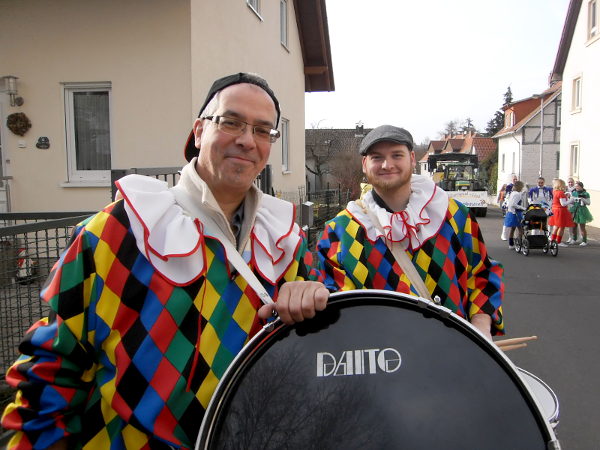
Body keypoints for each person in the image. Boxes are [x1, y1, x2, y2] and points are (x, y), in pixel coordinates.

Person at [1, 73, 329, 449]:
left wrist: (314, 296)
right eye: (231, 122)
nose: (246, 139)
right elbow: (55, 364)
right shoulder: (119, 229)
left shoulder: (286, 241)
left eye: (262, 130)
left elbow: (311, 347)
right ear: (199, 130)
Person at [315, 125, 504, 341]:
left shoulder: (455, 215)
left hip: (455, 355)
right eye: (377, 157)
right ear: (364, 165)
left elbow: (482, 273)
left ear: (412, 159)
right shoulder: (340, 231)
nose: (387, 165)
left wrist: (481, 327)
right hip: (385, 362)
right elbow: (341, 304)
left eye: (397, 155)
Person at [548, 178, 575, 247]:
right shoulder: (560, 193)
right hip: (560, 211)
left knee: (556, 226)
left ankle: (552, 240)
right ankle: (558, 241)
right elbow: (563, 204)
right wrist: (571, 200)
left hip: (555, 210)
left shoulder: (555, 191)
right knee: (561, 227)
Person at [569, 181, 594, 246]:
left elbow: (588, 203)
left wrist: (582, 198)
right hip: (575, 210)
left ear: (581, 187)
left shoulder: (586, 193)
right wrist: (570, 199)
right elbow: (571, 202)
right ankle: (574, 239)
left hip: (582, 210)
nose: (576, 187)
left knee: (582, 227)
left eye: (577, 186)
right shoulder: (574, 193)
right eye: (575, 186)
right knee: (574, 226)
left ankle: (584, 241)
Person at [504, 181, 526, 249]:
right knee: (520, 229)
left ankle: (511, 244)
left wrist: (523, 193)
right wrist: (523, 208)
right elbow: (514, 204)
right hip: (516, 213)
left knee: (513, 229)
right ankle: (520, 244)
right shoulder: (517, 194)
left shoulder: (513, 193)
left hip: (511, 212)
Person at [501, 174, 519, 240]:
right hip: (509, 205)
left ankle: (515, 235)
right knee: (507, 220)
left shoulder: (518, 186)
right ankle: (504, 235)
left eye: (516, 179)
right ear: (511, 180)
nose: (515, 180)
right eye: (514, 179)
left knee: (516, 221)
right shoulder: (509, 186)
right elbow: (508, 195)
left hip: (516, 205)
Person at [565, 176, 578, 243]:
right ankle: (570, 237)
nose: (570, 183)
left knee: (574, 223)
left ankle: (574, 238)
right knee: (569, 223)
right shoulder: (566, 190)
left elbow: (576, 199)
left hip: (574, 207)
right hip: (567, 207)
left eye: (571, 182)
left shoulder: (576, 190)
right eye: (569, 182)